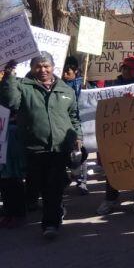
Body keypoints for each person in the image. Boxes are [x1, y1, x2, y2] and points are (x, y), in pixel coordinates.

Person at [1, 53, 81, 239]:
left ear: (54, 67)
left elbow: (74, 118)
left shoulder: (65, 90)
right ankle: (52, 209)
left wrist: (79, 139)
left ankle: (50, 224)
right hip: (34, 149)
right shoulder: (22, 86)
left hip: (60, 148)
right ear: (31, 67)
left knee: (52, 186)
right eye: (38, 66)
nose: (43, 70)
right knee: (37, 185)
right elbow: (10, 102)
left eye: (46, 66)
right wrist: (9, 76)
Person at [97, 55, 134, 215]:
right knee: (114, 166)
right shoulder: (113, 85)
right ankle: (110, 199)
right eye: (124, 67)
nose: (126, 71)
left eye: (130, 68)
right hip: (118, 133)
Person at [60, 56, 90, 195]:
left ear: (76, 71)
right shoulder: (58, 84)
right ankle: (68, 177)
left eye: (68, 71)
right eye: (63, 71)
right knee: (66, 154)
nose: (65, 74)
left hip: (80, 124)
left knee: (80, 153)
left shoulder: (83, 85)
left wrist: (86, 91)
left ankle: (81, 181)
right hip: (63, 124)